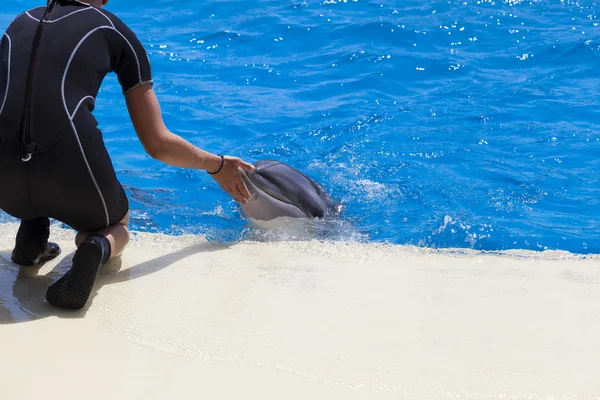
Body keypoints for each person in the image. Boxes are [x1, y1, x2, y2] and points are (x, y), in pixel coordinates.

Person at [0, 0, 254, 310]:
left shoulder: (18, 23)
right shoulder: (112, 28)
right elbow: (158, 144)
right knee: (115, 221)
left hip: (6, 188)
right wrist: (218, 165)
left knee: (27, 136)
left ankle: (31, 242)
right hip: (67, 170)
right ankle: (97, 245)